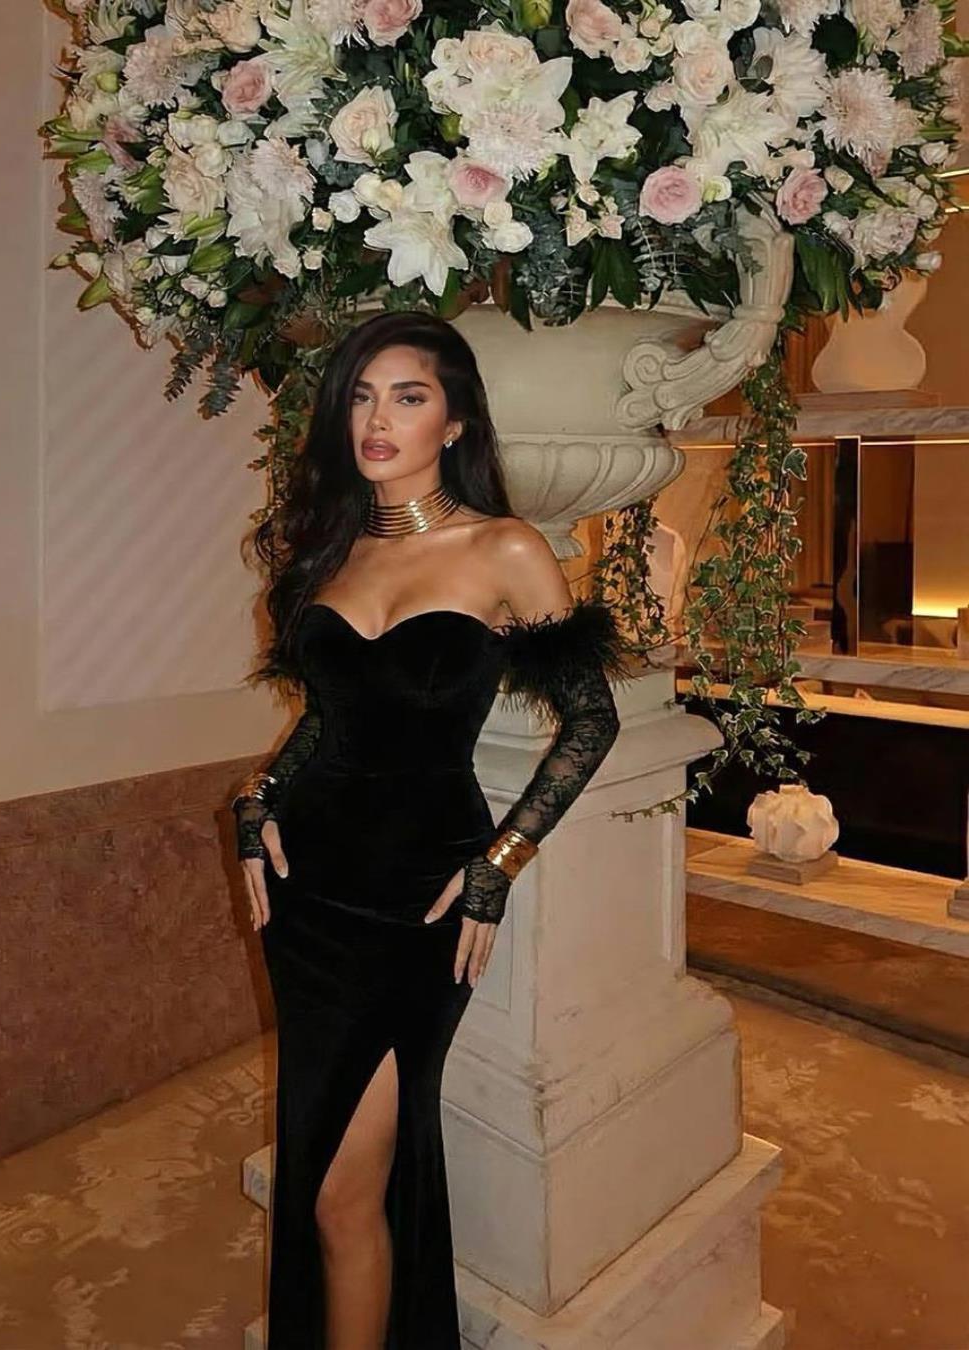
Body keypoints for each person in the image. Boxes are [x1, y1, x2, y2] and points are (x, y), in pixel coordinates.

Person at [233, 309, 629, 1350]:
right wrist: (257, 798)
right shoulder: (331, 550)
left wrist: (501, 860)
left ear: (454, 423)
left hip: (419, 899)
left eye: (408, 397)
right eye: (362, 396)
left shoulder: (504, 548)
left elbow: (593, 720)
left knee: (340, 1192)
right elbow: (329, 718)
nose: (378, 419)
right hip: (307, 896)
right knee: (322, 1168)